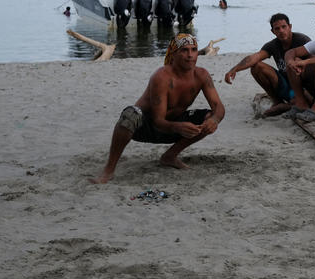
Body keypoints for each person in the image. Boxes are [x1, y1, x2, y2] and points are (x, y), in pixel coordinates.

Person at [91, 33, 225, 184]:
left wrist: (214, 120)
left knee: (208, 117)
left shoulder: (202, 75)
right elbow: (158, 121)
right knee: (130, 114)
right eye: (184, 50)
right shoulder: (162, 76)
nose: (190, 55)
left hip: (175, 127)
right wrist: (178, 127)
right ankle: (109, 169)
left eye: (194, 50)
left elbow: (219, 107)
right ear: (174, 54)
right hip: (147, 127)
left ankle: (170, 156)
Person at [224, 13, 311, 117]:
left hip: (304, 87)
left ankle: (290, 105)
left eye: (284, 27)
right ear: (273, 31)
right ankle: (278, 101)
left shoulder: (302, 40)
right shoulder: (273, 45)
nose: (281, 31)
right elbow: (254, 57)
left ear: (290, 26)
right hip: (286, 85)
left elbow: (314, 62)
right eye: (277, 28)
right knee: (257, 67)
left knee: (295, 61)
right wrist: (234, 69)